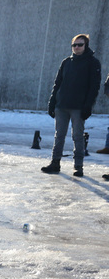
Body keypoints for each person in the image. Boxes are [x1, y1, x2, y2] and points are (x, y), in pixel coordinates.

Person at [41, 34, 102, 177]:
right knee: (59, 135)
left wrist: (88, 106)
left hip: (79, 107)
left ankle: (78, 166)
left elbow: (94, 87)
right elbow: (57, 84)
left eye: (80, 45)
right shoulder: (66, 62)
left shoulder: (93, 63)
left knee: (78, 136)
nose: (76, 47)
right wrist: (52, 102)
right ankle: (55, 162)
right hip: (62, 105)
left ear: (86, 46)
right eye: (74, 45)